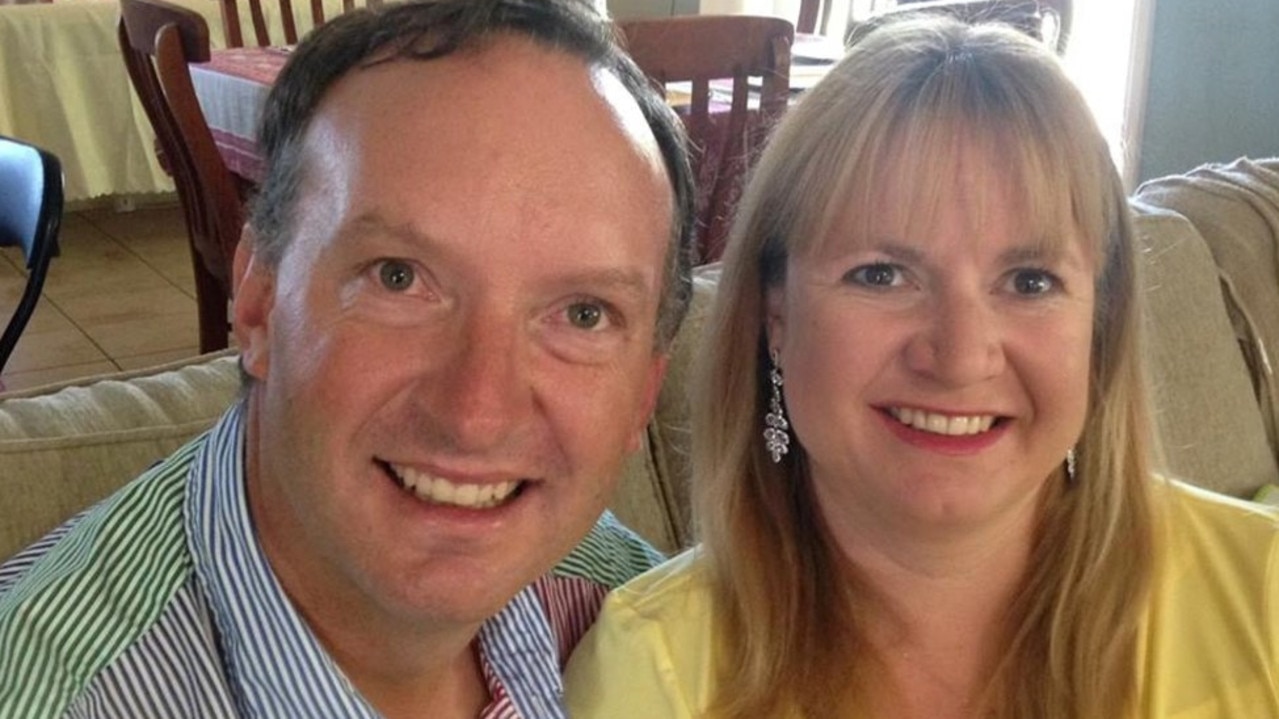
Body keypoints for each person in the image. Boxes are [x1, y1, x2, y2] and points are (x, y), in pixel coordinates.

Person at [565, 14, 1279, 719]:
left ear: (1100, 323)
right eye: (880, 275)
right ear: (774, 315)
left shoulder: (1263, 595)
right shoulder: (652, 668)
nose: (961, 356)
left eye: (1028, 281)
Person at [0, 0, 696, 716]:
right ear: (258, 300)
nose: (477, 415)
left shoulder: (637, 614)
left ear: (645, 389)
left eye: (583, 313)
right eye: (398, 276)